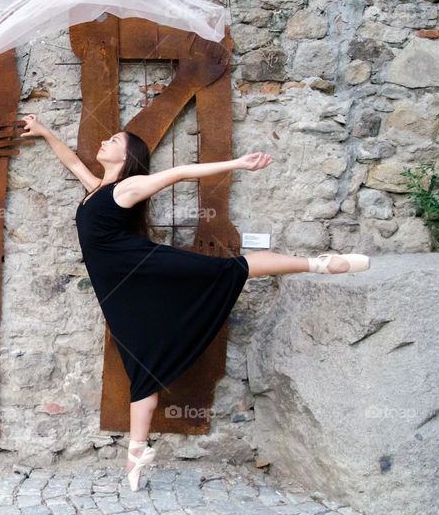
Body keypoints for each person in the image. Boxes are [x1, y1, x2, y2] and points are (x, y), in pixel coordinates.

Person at [20, 114, 371, 491]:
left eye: (114, 141)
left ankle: (319, 264)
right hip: (121, 288)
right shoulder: (96, 188)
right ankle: (137, 451)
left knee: (230, 270)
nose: (104, 142)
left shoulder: (129, 187)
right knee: (140, 360)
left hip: (143, 265)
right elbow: (72, 162)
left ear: (127, 157)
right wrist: (44, 133)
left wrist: (236, 164)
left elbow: (182, 172)